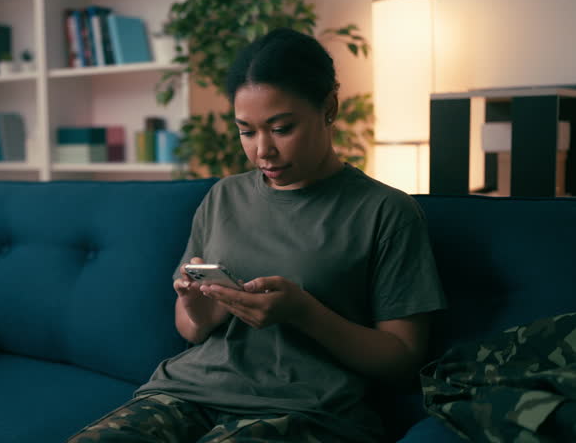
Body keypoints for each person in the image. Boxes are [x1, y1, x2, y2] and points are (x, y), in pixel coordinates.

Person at [68, 28, 447, 443]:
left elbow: (403, 360)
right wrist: (199, 307)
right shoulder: (223, 196)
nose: (262, 150)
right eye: (246, 131)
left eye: (281, 128)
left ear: (329, 107)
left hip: (304, 409)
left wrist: (304, 312)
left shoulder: (385, 211)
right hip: (186, 392)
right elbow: (192, 330)